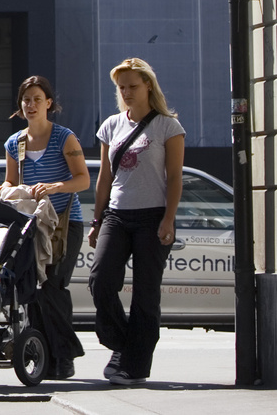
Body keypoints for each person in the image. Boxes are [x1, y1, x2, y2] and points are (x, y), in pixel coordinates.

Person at [0, 75, 88, 380]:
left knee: (53, 286)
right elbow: (12, 183)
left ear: (49, 104)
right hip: (31, 224)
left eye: (37, 99)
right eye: (26, 100)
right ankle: (45, 355)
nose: (31, 105)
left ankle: (64, 356)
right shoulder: (15, 142)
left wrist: (56, 187)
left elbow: (83, 179)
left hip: (64, 223)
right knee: (32, 290)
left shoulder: (64, 137)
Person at [88, 58, 185, 387]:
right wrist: (97, 219)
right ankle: (122, 344)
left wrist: (169, 218)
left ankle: (135, 365)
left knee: (145, 294)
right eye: (121, 87)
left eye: (132, 86)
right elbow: (104, 178)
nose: (127, 92)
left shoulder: (167, 126)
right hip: (116, 213)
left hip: (153, 216)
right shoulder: (112, 126)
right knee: (100, 281)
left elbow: (174, 178)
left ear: (148, 87)